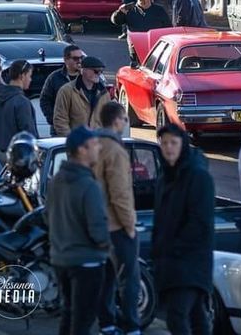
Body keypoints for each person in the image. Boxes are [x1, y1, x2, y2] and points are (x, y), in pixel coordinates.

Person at [152, 123, 215, 335]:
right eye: (164, 143)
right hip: (171, 263)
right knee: (197, 318)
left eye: (174, 143)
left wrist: (173, 249)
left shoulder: (198, 177)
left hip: (190, 261)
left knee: (176, 317)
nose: (168, 148)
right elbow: (160, 221)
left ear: (183, 145)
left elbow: (200, 223)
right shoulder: (164, 179)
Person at [46, 126, 110, 335]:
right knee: (83, 320)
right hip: (87, 262)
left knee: (69, 313)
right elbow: (98, 229)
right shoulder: (88, 185)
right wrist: (107, 244)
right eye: (94, 145)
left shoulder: (56, 181)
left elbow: (47, 216)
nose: (98, 148)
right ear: (82, 150)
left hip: (61, 259)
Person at [94, 103, 140, 335]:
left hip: (97, 225)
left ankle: (107, 323)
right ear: (115, 121)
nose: (125, 123)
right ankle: (131, 325)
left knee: (106, 279)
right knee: (129, 279)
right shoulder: (115, 150)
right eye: (124, 119)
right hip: (117, 225)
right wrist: (130, 225)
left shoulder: (91, 146)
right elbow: (120, 193)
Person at [54, 55, 115, 134]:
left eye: (101, 71)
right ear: (83, 70)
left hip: (98, 143)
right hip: (75, 143)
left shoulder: (104, 93)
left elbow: (109, 121)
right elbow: (60, 120)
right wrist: (71, 140)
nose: (99, 74)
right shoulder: (66, 91)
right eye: (96, 71)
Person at [0, 60, 37, 163]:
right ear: (22, 76)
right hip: (17, 155)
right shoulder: (21, 101)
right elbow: (28, 132)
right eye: (29, 76)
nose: (30, 80)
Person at [41, 44, 84, 134]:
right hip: (59, 130)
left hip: (82, 129)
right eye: (75, 58)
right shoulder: (54, 78)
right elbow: (45, 100)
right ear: (66, 60)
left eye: (81, 58)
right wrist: (53, 119)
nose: (79, 61)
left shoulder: (87, 77)